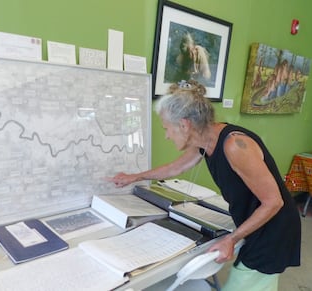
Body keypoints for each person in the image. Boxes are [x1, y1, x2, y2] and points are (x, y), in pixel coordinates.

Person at [108, 79, 301, 291]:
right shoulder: (205, 140)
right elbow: (174, 168)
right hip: (257, 221)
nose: (166, 135)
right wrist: (134, 177)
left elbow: (274, 202)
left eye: (167, 128)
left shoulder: (235, 146)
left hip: (274, 229)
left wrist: (231, 238)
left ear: (184, 124)